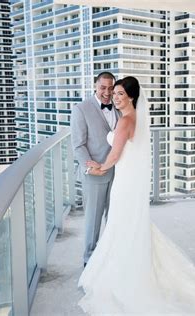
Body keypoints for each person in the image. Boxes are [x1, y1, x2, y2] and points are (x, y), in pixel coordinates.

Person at [78, 76, 195, 315]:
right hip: (129, 181)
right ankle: (135, 264)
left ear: (131, 96)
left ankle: (127, 274)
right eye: (113, 93)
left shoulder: (125, 121)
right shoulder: (135, 118)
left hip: (124, 183)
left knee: (122, 226)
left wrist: (100, 168)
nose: (114, 97)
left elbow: (115, 155)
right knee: (128, 226)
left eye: (119, 93)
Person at [71, 71, 120, 267]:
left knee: (114, 215)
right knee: (93, 220)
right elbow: (78, 145)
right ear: (95, 86)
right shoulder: (81, 109)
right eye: (103, 87)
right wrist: (89, 168)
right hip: (94, 174)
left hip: (118, 173)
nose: (107, 93)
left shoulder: (118, 105)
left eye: (111, 88)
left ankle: (109, 255)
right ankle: (89, 260)